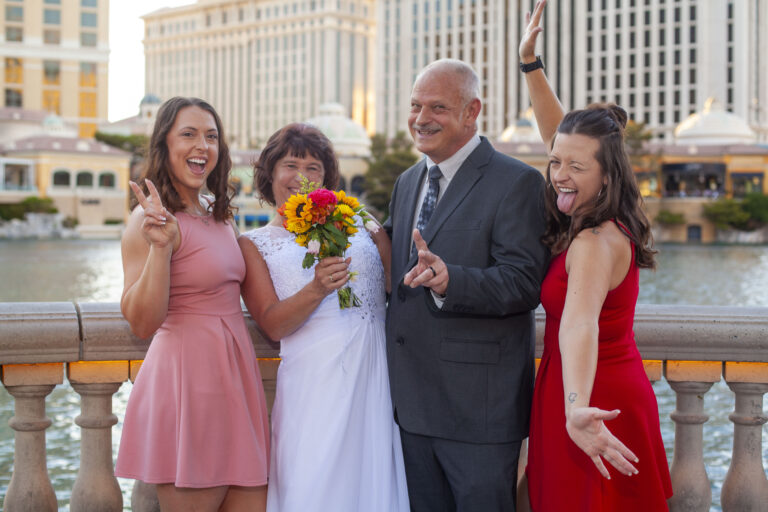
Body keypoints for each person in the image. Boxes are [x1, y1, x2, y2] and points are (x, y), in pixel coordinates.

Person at [520, 2, 673, 510]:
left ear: (606, 174)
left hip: (588, 398)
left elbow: (578, 324)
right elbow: (561, 138)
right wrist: (530, 66)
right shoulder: (605, 219)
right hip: (594, 390)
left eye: (574, 167)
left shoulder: (589, 242)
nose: (560, 173)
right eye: (554, 163)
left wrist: (575, 409)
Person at [384, 58, 550, 511]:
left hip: (478, 414)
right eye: (416, 105)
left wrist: (450, 281)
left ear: (472, 111)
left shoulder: (518, 182)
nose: (421, 119)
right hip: (409, 409)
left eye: (437, 107)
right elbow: (389, 266)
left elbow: (522, 283)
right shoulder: (406, 181)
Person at [238, 123, 409, 512]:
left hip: (374, 376)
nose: (302, 176)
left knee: (372, 479)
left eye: (313, 167)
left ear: (327, 177)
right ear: (270, 173)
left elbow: (395, 286)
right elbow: (272, 324)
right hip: (314, 384)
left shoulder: (361, 224)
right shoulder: (254, 244)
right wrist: (316, 288)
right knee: (316, 483)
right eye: (291, 164)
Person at [115, 97, 270, 511]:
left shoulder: (217, 214)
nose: (202, 145)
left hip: (235, 381)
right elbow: (143, 323)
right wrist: (161, 250)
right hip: (188, 388)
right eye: (188, 134)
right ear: (164, 144)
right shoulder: (147, 222)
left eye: (212, 136)